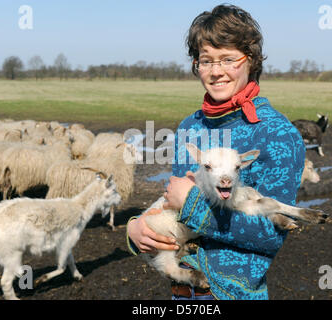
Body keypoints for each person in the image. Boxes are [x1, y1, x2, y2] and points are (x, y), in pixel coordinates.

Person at [127, 4, 305, 300]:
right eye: (206, 60)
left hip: (233, 295)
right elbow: (172, 203)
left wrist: (192, 206)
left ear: (251, 61)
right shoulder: (190, 127)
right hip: (183, 292)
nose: (216, 71)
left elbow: (270, 237)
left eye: (228, 59)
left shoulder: (276, 133)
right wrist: (136, 231)